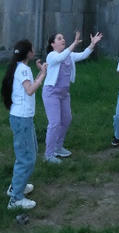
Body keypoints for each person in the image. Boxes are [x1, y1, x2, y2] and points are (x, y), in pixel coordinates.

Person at [41, 30, 103, 163]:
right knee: (54, 123)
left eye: (63, 38)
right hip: (51, 93)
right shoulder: (51, 56)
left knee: (67, 120)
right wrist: (74, 43)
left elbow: (83, 55)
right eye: (59, 38)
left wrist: (92, 44)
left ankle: (58, 147)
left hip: (64, 93)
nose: (63, 40)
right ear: (52, 44)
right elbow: (60, 58)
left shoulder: (69, 55)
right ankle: (48, 154)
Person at [1, 39, 47, 210]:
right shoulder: (24, 69)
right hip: (22, 119)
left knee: (31, 152)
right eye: (32, 48)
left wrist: (40, 73)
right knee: (26, 159)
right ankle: (15, 199)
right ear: (28, 53)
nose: (34, 50)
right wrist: (42, 74)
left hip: (22, 118)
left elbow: (26, 87)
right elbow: (30, 89)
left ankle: (16, 186)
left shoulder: (19, 68)